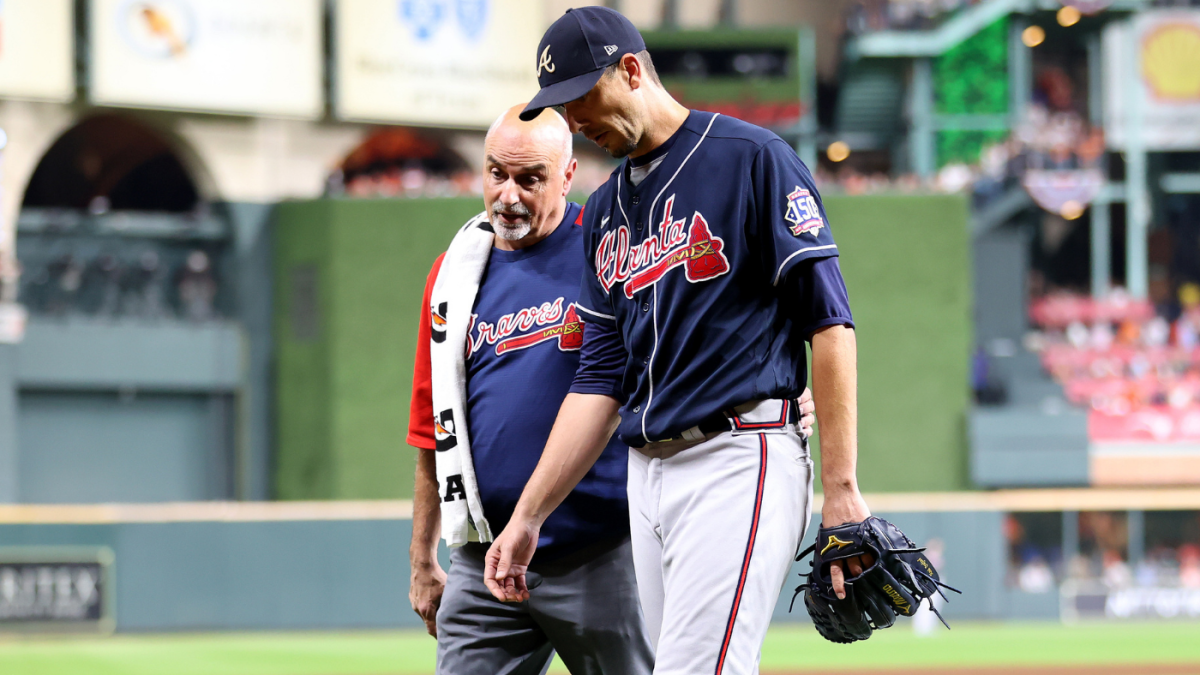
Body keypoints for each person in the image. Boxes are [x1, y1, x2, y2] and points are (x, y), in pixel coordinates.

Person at [485, 7, 871, 674]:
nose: (574, 121)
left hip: (737, 453)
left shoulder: (752, 160)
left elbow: (830, 325)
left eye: (581, 99)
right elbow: (600, 377)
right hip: (648, 474)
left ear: (631, 70)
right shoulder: (603, 209)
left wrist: (840, 486)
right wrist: (529, 515)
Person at [406, 105, 816, 674]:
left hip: (601, 552)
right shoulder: (454, 275)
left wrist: (775, 388)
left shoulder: (609, 244)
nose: (508, 195)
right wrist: (422, 554)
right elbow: (432, 427)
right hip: (485, 555)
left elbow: (688, 343)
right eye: (496, 173)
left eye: (530, 178)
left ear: (568, 176)